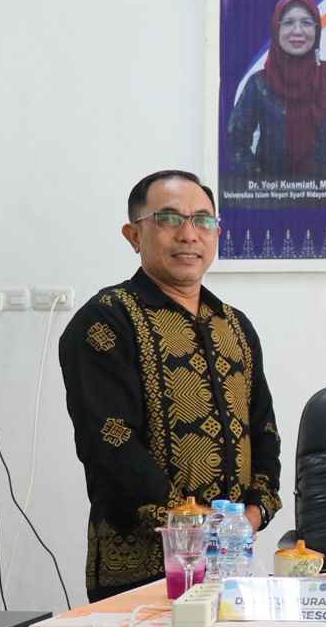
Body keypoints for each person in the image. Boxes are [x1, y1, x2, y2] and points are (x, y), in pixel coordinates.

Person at [58, 170, 282, 601]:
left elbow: (264, 430)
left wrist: (253, 513)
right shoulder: (107, 320)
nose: (188, 234)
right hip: (140, 571)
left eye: (203, 220)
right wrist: (191, 525)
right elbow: (109, 441)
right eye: (169, 219)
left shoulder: (235, 326)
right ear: (134, 235)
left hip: (232, 563)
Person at [225, 0, 326, 179]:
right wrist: (259, 180)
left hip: (324, 193)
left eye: (306, 23)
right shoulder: (258, 84)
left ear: (317, 30)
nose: (297, 31)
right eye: (288, 22)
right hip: (271, 194)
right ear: (276, 29)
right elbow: (235, 139)